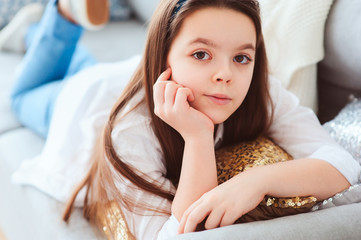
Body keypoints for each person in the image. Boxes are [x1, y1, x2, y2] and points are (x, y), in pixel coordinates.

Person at [7, 0, 360, 239]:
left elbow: (342, 162)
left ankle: (37, 30)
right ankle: (62, 14)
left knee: (80, 66)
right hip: (86, 98)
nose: (225, 74)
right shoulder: (129, 128)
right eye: (201, 54)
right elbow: (174, 234)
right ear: (165, 57)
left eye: (241, 57)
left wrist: (256, 181)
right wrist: (197, 138)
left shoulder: (261, 90)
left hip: (122, 74)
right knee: (24, 96)